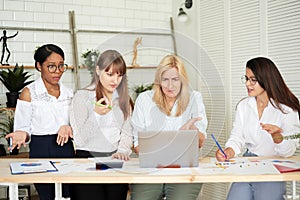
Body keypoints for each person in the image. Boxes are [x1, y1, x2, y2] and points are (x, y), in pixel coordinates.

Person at [216, 57, 300, 200]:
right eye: (246, 78)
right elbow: (237, 137)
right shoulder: (243, 106)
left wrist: (277, 137)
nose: (248, 84)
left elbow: (289, 151)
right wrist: (229, 150)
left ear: (266, 80)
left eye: (253, 80)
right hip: (249, 162)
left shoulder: (287, 110)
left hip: (274, 165)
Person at [130, 55, 208, 200]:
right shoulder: (144, 99)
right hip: (151, 170)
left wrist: (192, 132)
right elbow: (137, 145)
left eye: (175, 79)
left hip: (184, 170)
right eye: (165, 79)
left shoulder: (194, 98)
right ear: (159, 80)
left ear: (183, 80)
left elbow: (201, 141)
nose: (170, 86)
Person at [5, 44, 75, 200]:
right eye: (51, 66)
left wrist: (70, 128)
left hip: (66, 149)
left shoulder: (70, 94)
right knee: (47, 196)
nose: (57, 71)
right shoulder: (29, 93)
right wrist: (22, 134)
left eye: (61, 66)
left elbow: (78, 125)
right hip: (41, 148)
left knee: (67, 196)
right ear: (38, 66)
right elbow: (23, 128)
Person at [70, 49, 133, 200]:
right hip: (86, 159)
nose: (115, 80)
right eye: (109, 74)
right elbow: (80, 139)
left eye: (119, 75)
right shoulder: (82, 97)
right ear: (98, 71)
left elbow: (127, 132)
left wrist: (123, 151)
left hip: (114, 159)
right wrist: (96, 114)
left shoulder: (124, 100)